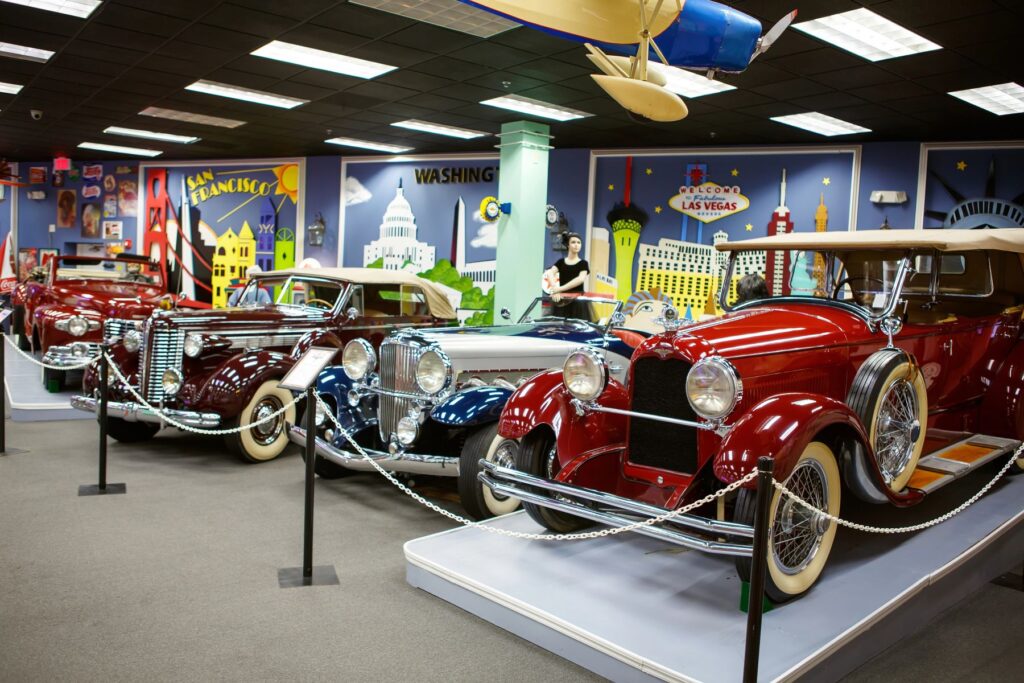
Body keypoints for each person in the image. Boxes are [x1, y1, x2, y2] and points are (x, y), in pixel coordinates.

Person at [545, 232, 590, 320]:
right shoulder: (561, 262)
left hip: (577, 302)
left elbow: (580, 279)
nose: (576, 245)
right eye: (573, 242)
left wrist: (559, 289)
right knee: (559, 327)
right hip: (562, 301)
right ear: (568, 245)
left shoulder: (583, 263)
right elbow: (550, 273)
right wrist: (555, 289)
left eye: (579, 242)